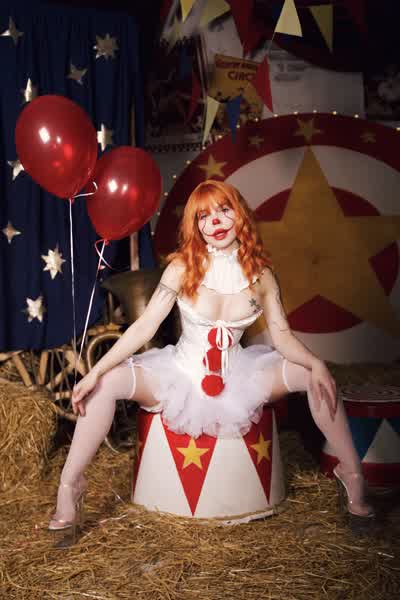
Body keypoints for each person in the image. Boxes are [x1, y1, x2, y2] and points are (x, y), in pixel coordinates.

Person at [48, 179, 375, 539]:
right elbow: (144, 327)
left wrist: (316, 363)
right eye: (203, 216)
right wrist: (94, 372)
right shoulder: (181, 268)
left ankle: (351, 474)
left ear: (240, 214)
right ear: (195, 225)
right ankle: (71, 485)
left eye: (223, 210)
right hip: (181, 373)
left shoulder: (262, 275)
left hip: (241, 375)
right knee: (105, 383)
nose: (215, 222)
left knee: (315, 376)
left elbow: (282, 337)